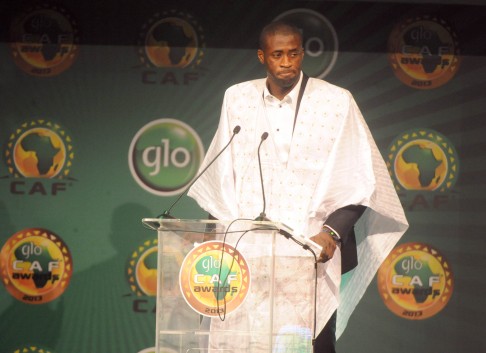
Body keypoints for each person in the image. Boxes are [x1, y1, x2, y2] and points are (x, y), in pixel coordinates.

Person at [188, 20, 408, 353]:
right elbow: (221, 176)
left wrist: (332, 233)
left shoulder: (336, 102)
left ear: (303, 53)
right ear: (262, 56)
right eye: (278, 54)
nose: (287, 62)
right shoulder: (237, 98)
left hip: (309, 255)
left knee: (309, 344)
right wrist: (212, 241)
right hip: (246, 256)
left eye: (294, 53)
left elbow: (359, 177)